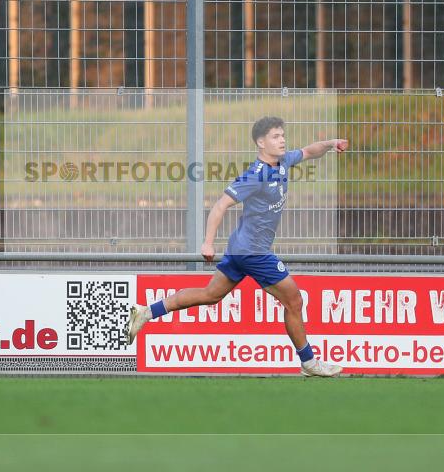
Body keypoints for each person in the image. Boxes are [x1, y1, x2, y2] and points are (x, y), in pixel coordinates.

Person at [127, 116, 348, 377]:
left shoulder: (284, 161)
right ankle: (309, 362)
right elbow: (220, 205)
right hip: (254, 252)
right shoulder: (255, 175)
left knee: (210, 294)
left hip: (240, 247)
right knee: (294, 301)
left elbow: (310, 151)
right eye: (276, 136)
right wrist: (208, 242)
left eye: (282, 135)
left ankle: (146, 312)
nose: (282, 140)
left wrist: (331, 143)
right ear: (260, 142)